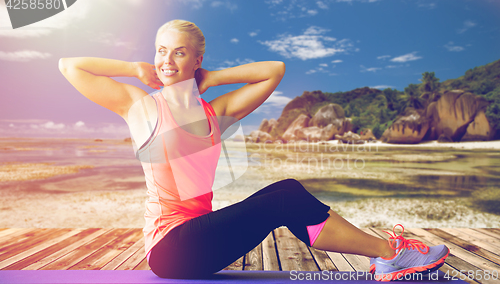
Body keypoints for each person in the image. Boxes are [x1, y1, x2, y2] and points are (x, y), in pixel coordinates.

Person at [58, 19, 449, 281]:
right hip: (169, 250)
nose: (166, 60)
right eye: (161, 50)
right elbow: (68, 66)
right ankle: (388, 256)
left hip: (199, 245)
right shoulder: (140, 106)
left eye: (179, 52)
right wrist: (133, 67)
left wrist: (212, 79)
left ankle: (386, 256)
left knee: (287, 191)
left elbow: (274, 70)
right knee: (282, 200)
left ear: (197, 59)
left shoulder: (216, 113)